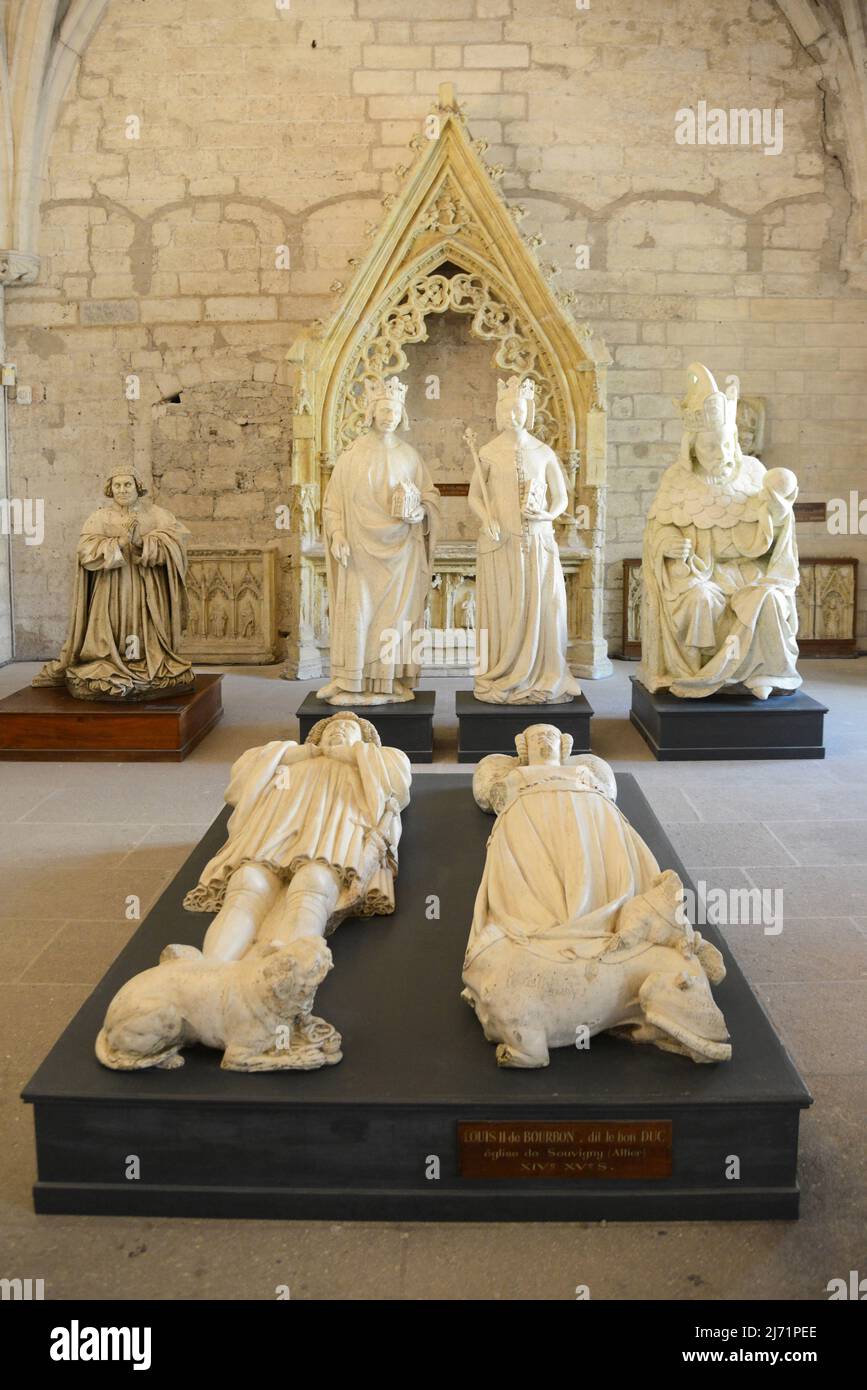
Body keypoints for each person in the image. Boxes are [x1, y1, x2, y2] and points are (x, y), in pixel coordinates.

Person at [183, 711, 412, 960]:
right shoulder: (289, 758)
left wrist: (355, 755)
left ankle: (286, 970)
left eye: (348, 727)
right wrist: (294, 753)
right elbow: (241, 779)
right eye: (331, 728)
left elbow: (397, 784)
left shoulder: (377, 758)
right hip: (275, 828)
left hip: (333, 831)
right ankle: (212, 970)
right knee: (247, 883)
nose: (339, 729)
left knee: (313, 884)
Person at [638, 364, 801, 699]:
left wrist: (777, 511)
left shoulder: (754, 472)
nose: (721, 452)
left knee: (769, 598)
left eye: (726, 443)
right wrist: (668, 545)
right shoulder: (677, 479)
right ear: (692, 446)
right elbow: (659, 528)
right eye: (710, 445)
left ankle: (764, 672)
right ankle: (694, 671)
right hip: (701, 571)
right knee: (700, 598)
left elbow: (776, 532)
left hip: (747, 572)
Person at [317, 376, 440, 704]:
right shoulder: (352, 455)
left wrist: (421, 512)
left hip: (402, 555)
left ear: (403, 415)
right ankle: (349, 681)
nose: (390, 416)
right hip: (360, 551)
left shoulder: (411, 456)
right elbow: (331, 503)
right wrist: (338, 533)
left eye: (395, 410)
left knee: (396, 618)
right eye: (384, 409)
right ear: (371, 412)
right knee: (359, 613)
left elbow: (430, 495)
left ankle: (392, 681)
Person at [469, 376, 581, 704]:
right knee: (507, 610)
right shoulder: (487, 452)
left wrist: (548, 516)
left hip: (537, 544)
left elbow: (561, 497)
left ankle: (544, 671)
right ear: (499, 412)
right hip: (501, 544)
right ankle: (505, 671)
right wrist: (487, 517)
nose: (513, 414)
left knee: (544, 606)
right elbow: (475, 496)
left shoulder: (543, 452)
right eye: (507, 409)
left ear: (527, 411)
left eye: (518, 408)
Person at [33, 470, 193, 701]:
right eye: (117, 485)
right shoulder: (99, 517)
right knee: (111, 627)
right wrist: (118, 543)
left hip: (146, 586)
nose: (122, 490)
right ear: (110, 489)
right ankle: (110, 661)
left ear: (138, 487)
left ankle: (143, 659)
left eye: (127, 484)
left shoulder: (158, 515)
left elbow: (177, 543)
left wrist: (142, 543)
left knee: (143, 624)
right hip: (110, 588)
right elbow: (85, 551)